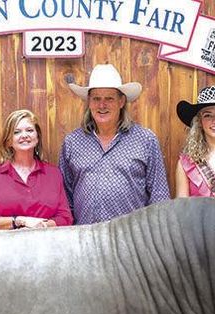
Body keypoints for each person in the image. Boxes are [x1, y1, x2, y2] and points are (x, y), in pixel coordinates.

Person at [58, 64, 169, 224]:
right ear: (89, 102)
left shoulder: (145, 139)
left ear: (121, 101)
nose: (102, 105)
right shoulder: (73, 142)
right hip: (85, 239)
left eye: (109, 98)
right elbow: (65, 197)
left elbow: (159, 196)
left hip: (131, 240)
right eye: (96, 98)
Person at [0, 109, 72, 230]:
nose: (24, 135)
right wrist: (21, 221)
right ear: (8, 141)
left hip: (46, 244)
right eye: (17, 132)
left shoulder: (53, 173)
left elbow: (65, 217)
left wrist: (43, 226)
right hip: (6, 246)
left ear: (37, 138)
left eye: (30, 130)